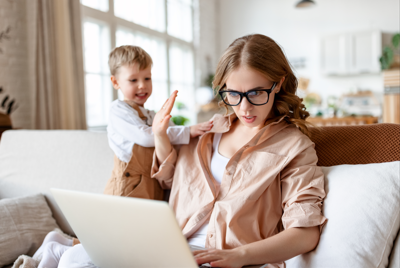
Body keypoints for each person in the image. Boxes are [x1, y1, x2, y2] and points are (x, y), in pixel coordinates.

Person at [58, 34, 327, 268]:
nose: (244, 108)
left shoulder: (294, 146)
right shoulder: (206, 133)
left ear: (278, 84)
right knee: (74, 259)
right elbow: (166, 183)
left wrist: (240, 255)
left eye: (256, 93)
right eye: (233, 94)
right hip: (168, 252)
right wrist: (160, 135)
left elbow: (305, 234)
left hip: (239, 262)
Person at [103, 45, 213, 200]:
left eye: (147, 78)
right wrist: (188, 131)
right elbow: (147, 137)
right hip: (128, 187)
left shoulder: (151, 114)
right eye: (133, 80)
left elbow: (176, 137)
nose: (142, 85)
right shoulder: (118, 110)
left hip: (154, 185)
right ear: (115, 82)